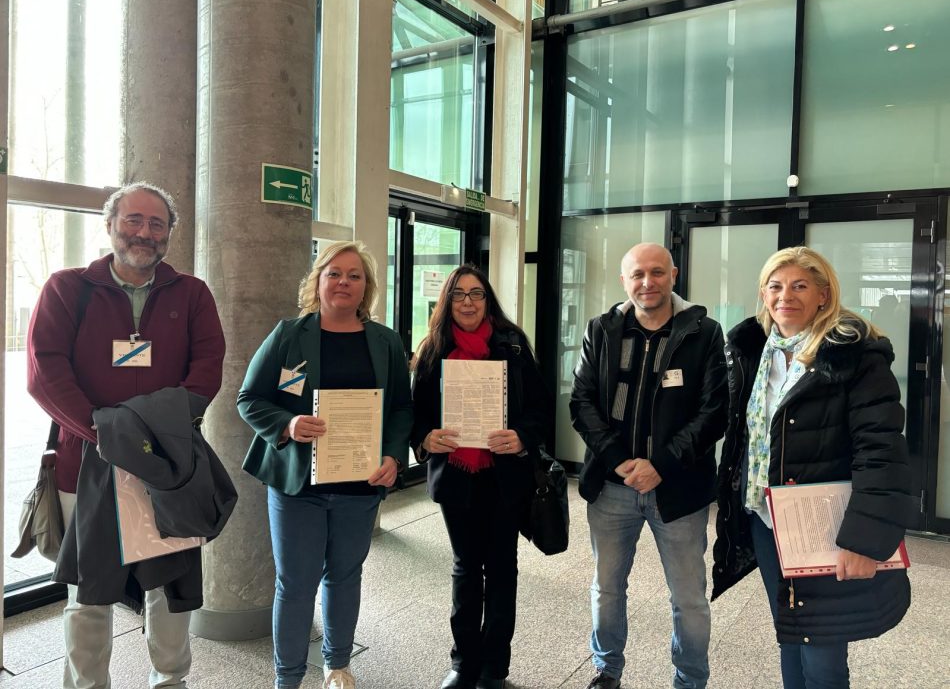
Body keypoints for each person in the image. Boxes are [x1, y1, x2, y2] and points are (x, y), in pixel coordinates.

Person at [26, 181, 227, 689]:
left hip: (169, 465)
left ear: (168, 235)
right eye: (134, 219)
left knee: (169, 583)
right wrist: (103, 430)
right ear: (111, 224)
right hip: (87, 463)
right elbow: (44, 372)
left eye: (157, 223)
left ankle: (170, 679)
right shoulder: (66, 288)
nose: (144, 231)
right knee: (88, 591)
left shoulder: (192, 294)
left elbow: (207, 372)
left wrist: (152, 433)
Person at [711, 246, 913, 689]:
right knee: (790, 634)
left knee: (822, 651)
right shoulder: (753, 353)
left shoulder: (855, 356)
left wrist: (865, 540)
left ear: (823, 295)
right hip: (766, 520)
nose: (786, 295)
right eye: (776, 286)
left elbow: (880, 450)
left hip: (824, 526)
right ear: (764, 294)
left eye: (800, 285)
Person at [238, 240, 412, 689]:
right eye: (334, 273)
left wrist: (393, 455)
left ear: (366, 287)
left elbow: (400, 409)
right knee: (295, 584)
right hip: (299, 486)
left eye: (354, 276)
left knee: (345, 576)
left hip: (360, 484)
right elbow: (249, 399)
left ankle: (338, 666)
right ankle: (288, 678)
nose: (343, 282)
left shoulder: (386, 341)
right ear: (317, 281)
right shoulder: (288, 335)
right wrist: (288, 423)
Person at [570, 243, 728, 689]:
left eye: (657, 273)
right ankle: (606, 670)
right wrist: (620, 462)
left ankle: (690, 680)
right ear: (624, 281)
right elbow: (582, 403)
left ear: (673, 275)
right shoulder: (601, 330)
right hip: (612, 488)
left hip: (678, 491)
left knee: (689, 598)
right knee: (606, 588)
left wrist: (659, 465)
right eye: (637, 274)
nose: (647, 282)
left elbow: (713, 412)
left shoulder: (704, 332)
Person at [411, 265, 550, 689]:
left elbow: (541, 410)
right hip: (456, 475)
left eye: (477, 294)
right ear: (447, 301)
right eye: (459, 295)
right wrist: (425, 438)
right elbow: (415, 416)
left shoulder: (513, 346)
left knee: (502, 569)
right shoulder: (433, 349)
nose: (468, 302)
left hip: (503, 475)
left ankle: (494, 667)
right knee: (466, 568)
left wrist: (521, 436)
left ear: (488, 300)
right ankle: (463, 662)